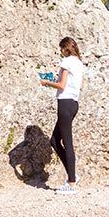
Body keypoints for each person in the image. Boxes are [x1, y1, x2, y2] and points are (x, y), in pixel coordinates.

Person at [39, 36, 84, 195]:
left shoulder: (66, 62)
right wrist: (54, 79)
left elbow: (61, 85)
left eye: (61, 49)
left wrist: (46, 82)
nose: (60, 52)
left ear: (65, 48)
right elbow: (73, 84)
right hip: (74, 104)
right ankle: (73, 176)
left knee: (67, 143)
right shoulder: (79, 63)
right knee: (54, 140)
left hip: (64, 103)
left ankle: (71, 184)